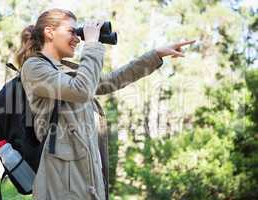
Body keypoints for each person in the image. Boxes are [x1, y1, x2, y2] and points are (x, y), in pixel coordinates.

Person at [17, 8, 195, 200]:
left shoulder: (64, 69)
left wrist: (156, 54)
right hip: (61, 183)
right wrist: (92, 44)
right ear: (50, 32)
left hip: (85, 178)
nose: (77, 38)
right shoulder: (34, 68)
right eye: (72, 31)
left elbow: (113, 79)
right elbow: (81, 90)